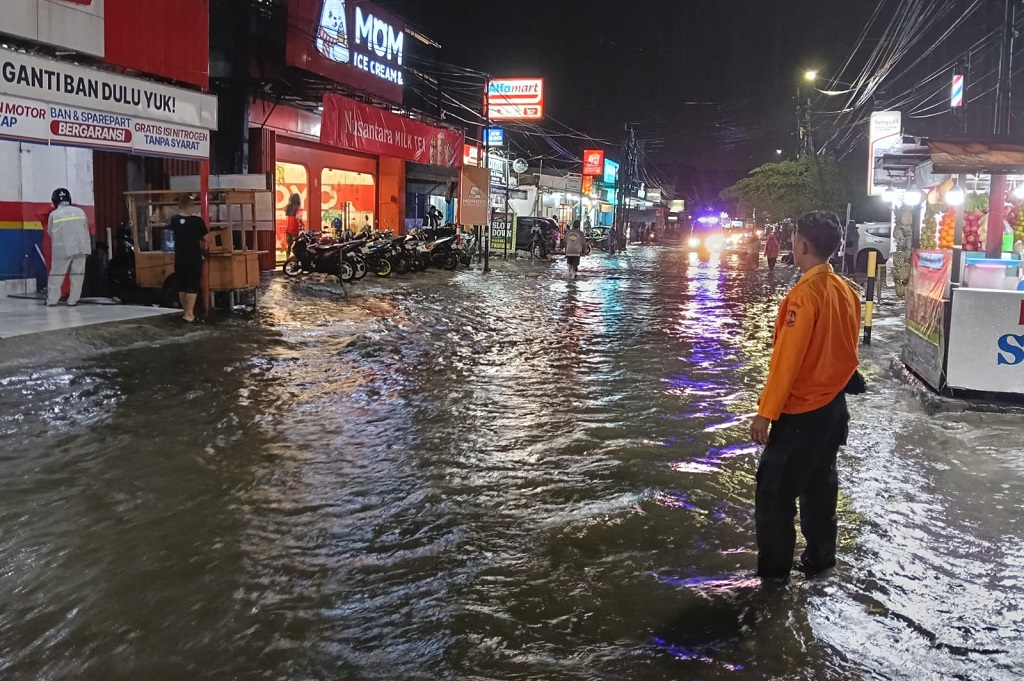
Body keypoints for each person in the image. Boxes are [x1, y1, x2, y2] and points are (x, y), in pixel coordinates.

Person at [750, 210, 861, 582]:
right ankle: (819, 560)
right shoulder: (847, 291)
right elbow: (847, 350)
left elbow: (786, 361)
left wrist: (766, 412)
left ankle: (774, 578)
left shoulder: (803, 297)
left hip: (800, 415)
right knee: (819, 487)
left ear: (801, 245)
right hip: (833, 411)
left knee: (774, 498)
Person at [46, 188, 92, 307]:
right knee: (78, 275)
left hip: (63, 249)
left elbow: (50, 232)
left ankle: (52, 300)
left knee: (56, 275)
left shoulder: (54, 215)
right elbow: (86, 228)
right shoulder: (80, 212)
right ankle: (73, 301)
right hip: (82, 247)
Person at [169, 195, 209, 323]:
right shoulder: (197, 221)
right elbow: (207, 238)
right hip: (193, 257)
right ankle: (189, 314)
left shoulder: (173, 220)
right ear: (190, 206)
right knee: (192, 284)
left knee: (181, 285)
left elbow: (168, 237)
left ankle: (184, 311)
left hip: (179, 257)